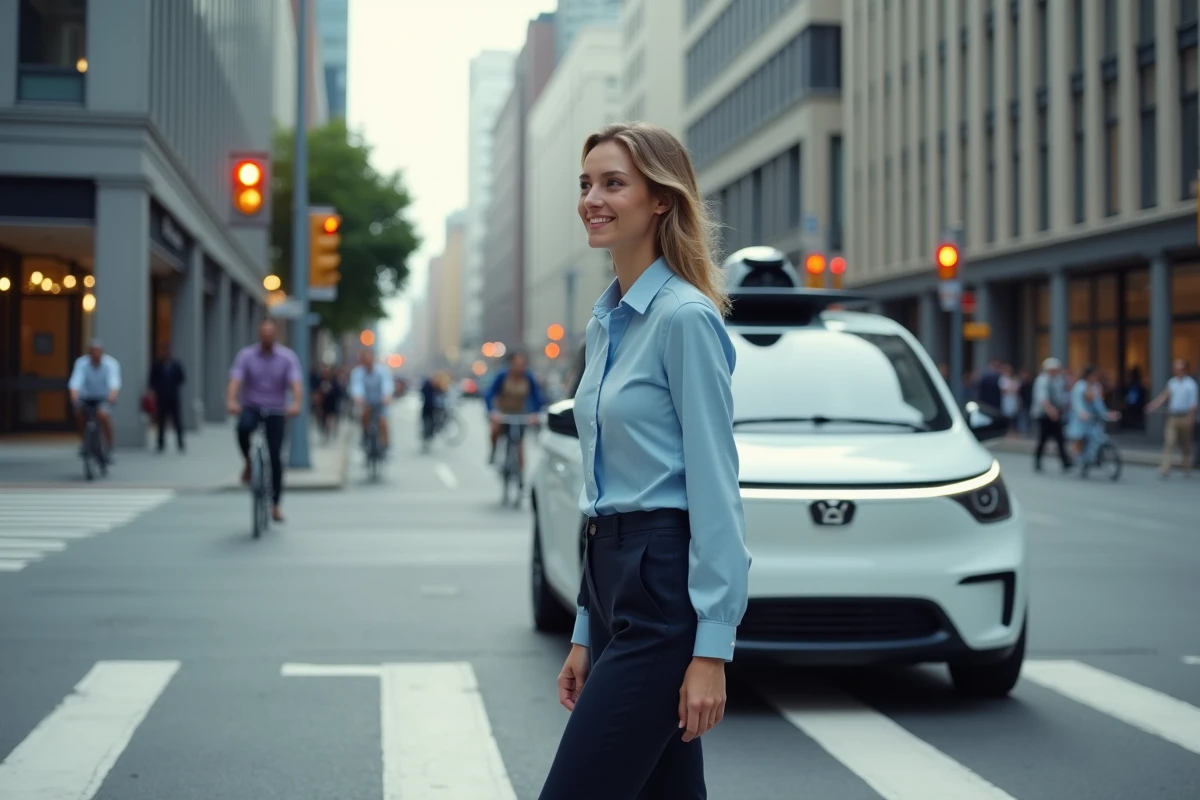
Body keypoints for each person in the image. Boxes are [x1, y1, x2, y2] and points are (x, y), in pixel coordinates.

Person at [538, 122, 752, 799]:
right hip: (610, 582)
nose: (591, 199)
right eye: (585, 184)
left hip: (661, 592)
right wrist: (582, 627)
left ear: (661, 200)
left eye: (612, 183)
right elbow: (602, 493)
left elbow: (716, 490)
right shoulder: (608, 324)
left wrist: (712, 649)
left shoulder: (684, 319)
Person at [226, 319, 302, 522]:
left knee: (276, 457)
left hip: (277, 409)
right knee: (242, 428)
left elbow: (295, 382)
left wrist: (295, 403)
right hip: (252, 406)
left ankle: (276, 505)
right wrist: (231, 400)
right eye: (264, 332)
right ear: (259, 335)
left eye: (270, 332)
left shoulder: (287, 357)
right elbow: (236, 379)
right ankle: (249, 463)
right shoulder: (246, 355)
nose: (267, 336)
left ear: (275, 335)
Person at [484, 349, 547, 475]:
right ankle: (493, 451)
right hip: (503, 413)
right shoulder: (502, 376)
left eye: (522, 364)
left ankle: (520, 476)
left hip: (521, 413)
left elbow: (537, 396)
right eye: (517, 363)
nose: (520, 367)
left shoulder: (528, 377)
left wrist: (536, 413)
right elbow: (490, 394)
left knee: (519, 445)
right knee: (495, 430)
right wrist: (493, 411)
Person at [67, 339, 121, 460]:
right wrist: (74, 397)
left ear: (102, 352)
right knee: (79, 413)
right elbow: (75, 382)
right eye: (93, 352)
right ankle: (84, 442)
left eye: (97, 352)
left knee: (103, 415)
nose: (95, 355)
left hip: (103, 397)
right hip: (86, 397)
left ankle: (109, 446)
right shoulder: (81, 363)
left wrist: (111, 397)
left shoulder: (111, 364)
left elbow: (114, 384)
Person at [1145, 357, 1197, 478]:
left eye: (1180, 369)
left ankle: (1186, 466)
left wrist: (1191, 418)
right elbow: (1164, 396)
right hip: (1173, 416)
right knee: (1169, 442)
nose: (1178, 371)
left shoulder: (1191, 384)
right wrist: (1153, 405)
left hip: (1185, 416)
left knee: (1186, 444)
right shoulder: (1172, 382)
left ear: (1185, 370)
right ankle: (1165, 467)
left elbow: (1193, 404)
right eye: (1176, 369)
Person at [347, 346, 395, 453]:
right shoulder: (357, 373)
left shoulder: (383, 371)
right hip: (366, 403)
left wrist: (387, 396)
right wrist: (358, 397)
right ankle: (365, 436)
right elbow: (356, 387)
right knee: (364, 418)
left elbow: (387, 385)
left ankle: (387, 446)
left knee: (383, 422)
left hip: (380, 402)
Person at [147, 342, 186, 452]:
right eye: (166, 351)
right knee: (161, 421)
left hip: (173, 396)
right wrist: (153, 391)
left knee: (177, 420)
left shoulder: (176, 364)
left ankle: (180, 442)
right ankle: (160, 443)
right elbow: (152, 379)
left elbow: (182, 378)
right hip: (161, 396)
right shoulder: (158, 364)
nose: (168, 353)